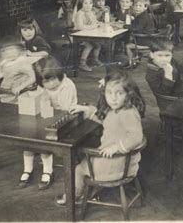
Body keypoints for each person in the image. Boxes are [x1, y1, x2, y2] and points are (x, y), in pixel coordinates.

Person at [55, 70, 145, 205]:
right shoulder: (116, 109)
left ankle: (74, 197)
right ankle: (92, 192)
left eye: (119, 93)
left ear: (128, 94)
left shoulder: (128, 113)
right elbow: (106, 120)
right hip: (119, 161)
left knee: (78, 169)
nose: (113, 98)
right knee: (88, 157)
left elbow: (136, 136)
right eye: (109, 93)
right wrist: (87, 110)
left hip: (118, 164)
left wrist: (117, 147)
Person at [18, 56, 78, 190]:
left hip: (66, 121)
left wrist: (45, 102)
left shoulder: (66, 86)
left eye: (53, 79)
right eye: (45, 82)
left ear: (59, 74)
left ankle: (48, 170)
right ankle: (28, 169)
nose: (50, 84)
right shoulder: (42, 86)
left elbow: (64, 110)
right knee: (28, 138)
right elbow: (38, 99)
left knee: (43, 140)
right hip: (48, 119)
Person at [0, 35, 36, 103]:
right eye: (4, 50)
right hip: (7, 92)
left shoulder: (22, 62)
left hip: (19, 93)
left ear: (19, 49)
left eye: (11, 49)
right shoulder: (7, 61)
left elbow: (33, 77)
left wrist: (20, 87)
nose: (8, 52)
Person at [73, 0, 104, 72]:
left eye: (90, 3)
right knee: (89, 45)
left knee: (98, 43)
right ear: (81, 4)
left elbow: (95, 21)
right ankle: (82, 63)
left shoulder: (90, 12)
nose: (88, 5)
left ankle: (95, 59)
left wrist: (99, 23)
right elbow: (81, 27)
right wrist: (93, 26)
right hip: (78, 37)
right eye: (85, 3)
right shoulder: (79, 14)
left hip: (88, 35)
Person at [124, 0, 156, 69]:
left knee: (128, 46)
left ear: (145, 7)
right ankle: (135, 60)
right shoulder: (143, 15)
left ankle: (130, 63)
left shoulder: (143, 17)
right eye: (136, 6)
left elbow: (137, 29)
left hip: (146, 40)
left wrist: (126, 26)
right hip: (149, 39)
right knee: (130, 39)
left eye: (140, 6)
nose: (137, 8)